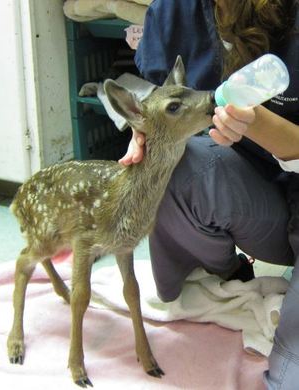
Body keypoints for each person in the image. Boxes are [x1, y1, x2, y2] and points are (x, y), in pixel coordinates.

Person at [120, 0, 299, 388]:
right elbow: (161, 97)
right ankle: (227, 278)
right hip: (254, 196)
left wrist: (267, 129)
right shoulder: (174, 11)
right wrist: (151, 132)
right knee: (167, 165)